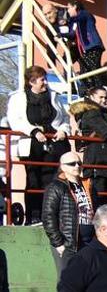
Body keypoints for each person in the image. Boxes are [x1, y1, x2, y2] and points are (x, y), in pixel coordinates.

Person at [6, 65, 69, 225]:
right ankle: (34, 216)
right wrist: (33, 131)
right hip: (31, 145)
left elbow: (64, 119)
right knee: (33, 180)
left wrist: (62, 130)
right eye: (42, 80)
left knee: (52, 181)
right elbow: (15, 120)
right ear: (32, 81)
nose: (46, 83)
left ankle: (51, 217)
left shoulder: (54, 97)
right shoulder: (18, 98)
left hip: (54, 145)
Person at [42, 151, 97, 275]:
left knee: (88, 279)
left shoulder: (88, 185)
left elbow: (97, 212)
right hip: (68, 243)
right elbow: (48, 217)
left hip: (88, 242)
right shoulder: (55, 187)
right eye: (72, 164)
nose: (77, 166)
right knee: (67, 280)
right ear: (62, 167)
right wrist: (59, 244)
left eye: (79, 163)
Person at [71, 86, 107, 203]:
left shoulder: (99, 112)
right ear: (91, 97)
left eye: (105, 97)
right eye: (100, 97)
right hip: (98, 162)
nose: (104, 100)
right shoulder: (93, 113)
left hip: (102, 161)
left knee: (106, 198)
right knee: (101, 198)